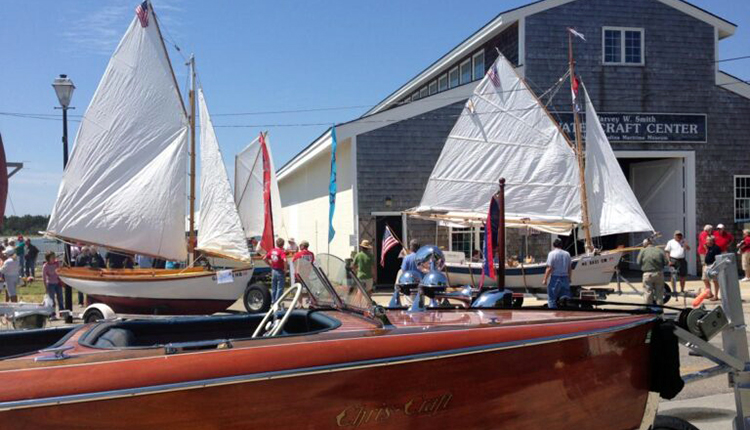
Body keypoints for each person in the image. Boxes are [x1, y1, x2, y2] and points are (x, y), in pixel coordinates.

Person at [542, 239, 572, 309]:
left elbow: (549, 268)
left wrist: (545, 279)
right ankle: (565, 315)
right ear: (561, 245)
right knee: (565, 299)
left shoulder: (552, 254)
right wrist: (569, 278)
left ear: (553, 245)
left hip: (555, 278)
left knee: (552, 299)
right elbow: (569, 268)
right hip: (565, 278)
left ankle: (554, 315)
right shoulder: (567, 254)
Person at [637, 238, 668, 306]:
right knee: (659, 293)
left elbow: (638, 262)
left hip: (647, 274)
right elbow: (666, 262)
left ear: (645, 244)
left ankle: (649, 310)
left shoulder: (643, 250)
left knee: (648, 292)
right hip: (659, 273)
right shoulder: (659, 250)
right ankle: (660, 311)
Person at [264, 238, 287, 302]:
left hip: (273, 270)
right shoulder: (281, 252)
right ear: (283, 244)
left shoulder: (272, 250)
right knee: (280, 287)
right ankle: (277, 302)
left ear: (276, 244)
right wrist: (285, 269)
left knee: (273, 287)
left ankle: (273, 301)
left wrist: (269, 264)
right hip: (280, 271)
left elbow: (264, 258)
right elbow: (285, 260)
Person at [42, 251, 64, 315]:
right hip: (50, 284)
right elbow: (44, 278)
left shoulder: (57, 264)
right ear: (48, 258)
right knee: (52, 299)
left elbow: (61, 271)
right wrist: (46, 287)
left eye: (54, 256)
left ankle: (61, 312)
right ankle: (52, 313)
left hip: (57, 283)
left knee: (60, 298)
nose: (54, 258)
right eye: (52, 257)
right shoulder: (45, 266)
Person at [702, 236, 722, 300]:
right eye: (707, 240)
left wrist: (714, 266)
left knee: (715, 281)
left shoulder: (716, 248)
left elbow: (717, 258)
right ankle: (709, 294)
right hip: (707, 265)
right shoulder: (708, 248)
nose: (707, 241)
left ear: (712, 241)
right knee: (705, 279)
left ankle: (716, 296)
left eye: (709, 240)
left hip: (713, 266)